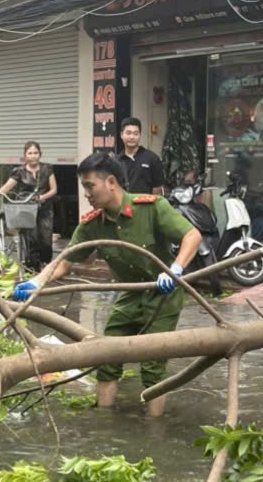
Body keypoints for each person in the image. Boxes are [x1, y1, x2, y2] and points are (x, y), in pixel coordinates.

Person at [11, 152, 201, 418]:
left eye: (90, 186)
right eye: (84, 187)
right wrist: (36, 282)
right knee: (107, 356)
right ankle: (103, 422)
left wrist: (175, 270)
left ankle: (154, 429)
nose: (86, 194)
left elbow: (192, 235)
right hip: (128, 294)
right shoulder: (92, 224)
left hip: (163, 293)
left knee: (152, 364)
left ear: (110, 182)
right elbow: (65, 262)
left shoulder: (151, 207)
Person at [0, 141, 58, 271]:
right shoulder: (19, 172)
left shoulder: (47, 169)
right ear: (25, 156)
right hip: (27, 210)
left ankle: (45, 263)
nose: (33, 156)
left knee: (46, 240)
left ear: (40, 154)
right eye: (30, 153)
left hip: (44, 209)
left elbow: (53, 189)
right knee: (32, 239)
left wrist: (41, 198)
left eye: (35, 153)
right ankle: (32, 268)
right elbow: (7, 187)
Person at [116, 117, 165, 195]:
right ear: (121, 135)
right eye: (128, 133)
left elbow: (157, 189)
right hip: (124, 205)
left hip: (146, 205)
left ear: (140, 135)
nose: (132, 137)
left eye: (136, 133)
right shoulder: (116, 161)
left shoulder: (152, 158)